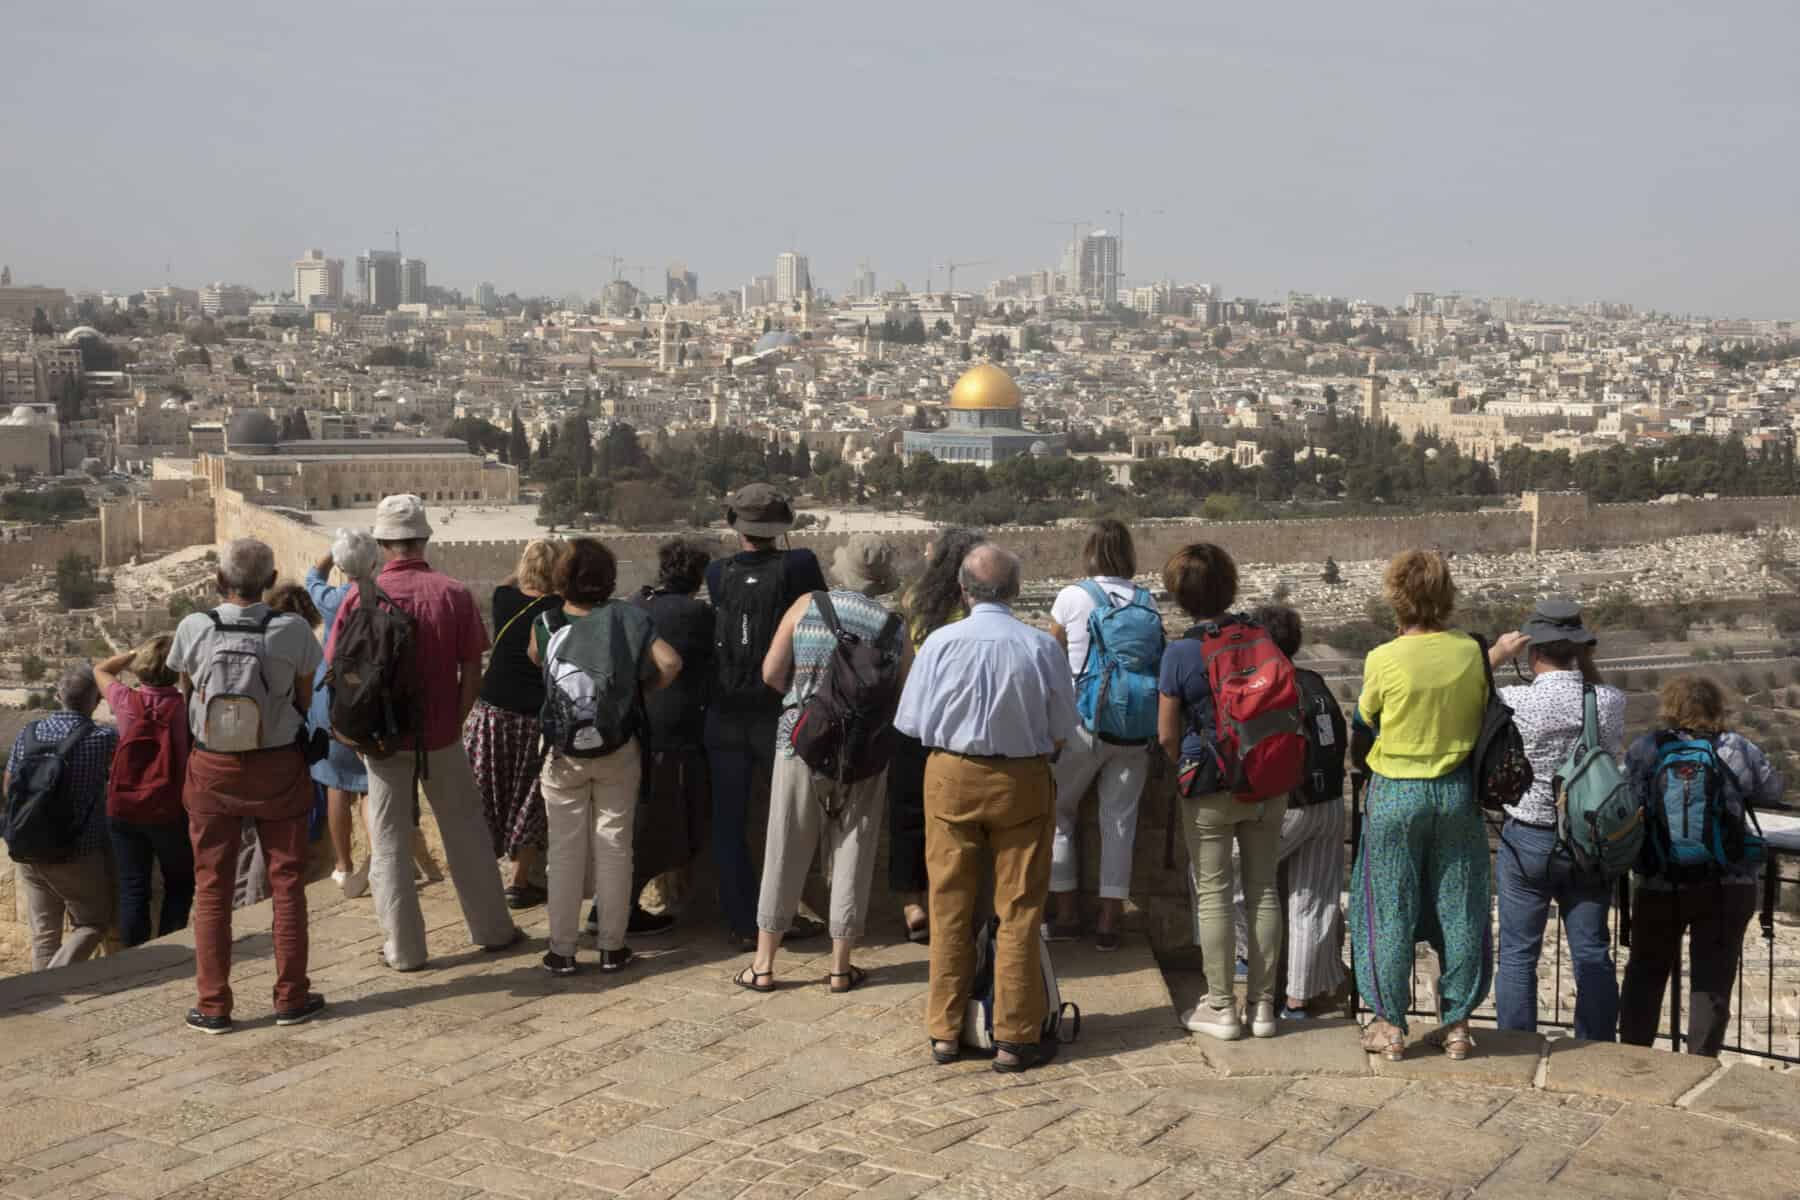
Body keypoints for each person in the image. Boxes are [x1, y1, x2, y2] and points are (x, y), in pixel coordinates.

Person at [894, 543, 1077, 1073]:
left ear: (963, 589)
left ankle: (945, 1031)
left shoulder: (941, 643)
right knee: (1019, 911)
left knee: (949, 905)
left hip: (951, 775)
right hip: (1021, 779)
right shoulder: (1040, 647)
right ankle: (1015, 1036)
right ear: (1015, 590)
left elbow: (911, 724)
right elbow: (1064, 728)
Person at [325, 494, 519, 972]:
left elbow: (336, 665)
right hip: (441, 734)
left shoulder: (359, 595)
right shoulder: (453, 593)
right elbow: (472, 667)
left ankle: (404, 950)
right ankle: (493, 930)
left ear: (383, 543)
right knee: (467, 833)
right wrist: (455, 719)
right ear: (425, 537)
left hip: (383, 738)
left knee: (388, 840)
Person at [739, 535, 911, 994]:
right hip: (863, 755)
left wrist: (806, 703)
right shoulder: (896, 627)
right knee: (854, 852)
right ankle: (839, 967)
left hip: (799, 744)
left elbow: (771, 673)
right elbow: (902, 695)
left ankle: (764, 964)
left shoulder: (807, 606)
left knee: (784, 848)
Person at [168, 537, 324, 1033]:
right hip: (278, 766)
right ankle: (290, 997)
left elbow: (186, 690)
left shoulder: (194, 627)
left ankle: (213, 1005)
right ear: (271, 581)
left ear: (219, 582)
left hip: (213, 768)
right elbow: (303, 696)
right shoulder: (293, 629)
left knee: (212, 887)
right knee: (287, 884)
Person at [1350, 550, 1491, 1062]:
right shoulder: (1472, 652)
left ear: (1396, 596)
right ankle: (1456, 1025)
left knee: (1388, 907)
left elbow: (1366, 722)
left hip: (1395, 791)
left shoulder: (1384, 658)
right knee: (1459, 905)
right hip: (1455, 791)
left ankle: (1389, 1025)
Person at [527, 538, 682, 975]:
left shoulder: (546, 620)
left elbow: (537, 660)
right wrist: (638, 692)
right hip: (618, 746)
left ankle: (561, 950)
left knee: (564, 851)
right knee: (616, 845)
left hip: (563, 753)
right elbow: (670, 664)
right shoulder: (629, 618)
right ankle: (613, 946)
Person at [1157, 544, 1286, 1041]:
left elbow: (1167, 735)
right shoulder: (1262, 638)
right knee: (1263, 890)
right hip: (1267, 781)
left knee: (1212, 893)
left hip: (1210, 786)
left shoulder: (1181, 652)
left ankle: (1220, 1007)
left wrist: (1184, 770)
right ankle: (1264, 1008)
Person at [1619, 676, 1780, 1056]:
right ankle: (1698, 1064)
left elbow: (1626, 796)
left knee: (1646, 971)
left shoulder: (1647, 748)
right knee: (1712, 979)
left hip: (1660, 881)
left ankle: (1631, 1057)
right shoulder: (1737, 747)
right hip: (1727, 882)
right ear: (1716, 707)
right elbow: (1772, 790)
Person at [1490, 600, 1625, 1042]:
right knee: (1591, 953)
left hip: (1528, 836)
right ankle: (1597, 1048)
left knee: (1517, 954)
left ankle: (1519, 1046)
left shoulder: (1516, 699)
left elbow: (1461, 694)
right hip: (1589, 841)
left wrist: (1495, 656)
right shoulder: (1608, 701)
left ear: (1534, 651)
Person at [703, 483, 828, 950]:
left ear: (736, 526)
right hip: (780, 710)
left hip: (725, 712)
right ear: (783, 526)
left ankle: (740, 921)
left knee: (728, 821)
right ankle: (781, 916)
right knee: (790, 819)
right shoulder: (800, 565)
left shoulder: (717, 574)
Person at [1045, 518, 1158, 951]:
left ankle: (1068, 914)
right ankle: (1110, 921)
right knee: (1120, 824)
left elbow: (1050, 661)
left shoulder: (1072, 597)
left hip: (1081, 724)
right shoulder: (1145, 600)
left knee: (1057, 813)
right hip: (1134, 730)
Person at [1240, 604, 1348, 1019]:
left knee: (1223, 876)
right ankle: (1298, 1000)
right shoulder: (1315, 682)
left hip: (1290, 806)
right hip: (1331, 803)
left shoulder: (1268, 685)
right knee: (1313, 901)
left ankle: (1243, 959)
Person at [889, 527, 985, 943]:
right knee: (956, 821)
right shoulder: (971, 607)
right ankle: (953, 904)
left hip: (913, 717)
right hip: (957, 725)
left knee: (907, 814)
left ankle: (912, 905)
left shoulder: (912, 597)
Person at [465, 539, 562, 910]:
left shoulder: (503, 598)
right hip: (531, 717)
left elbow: (510, 581)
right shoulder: (557, 609)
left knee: (485, 795)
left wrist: (527, 561)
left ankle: (479, 879)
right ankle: (518, 884)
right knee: (528, 798)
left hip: (491, 713)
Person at [627, 537, 716, 935]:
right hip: (676, 734)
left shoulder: (635, 603)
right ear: (698, 575)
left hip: (636, 728)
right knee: (665, 828)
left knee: (638, 825)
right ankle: (620, 909)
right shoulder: (696, 614)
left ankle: (615, 906)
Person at [4, 666, 117, 971]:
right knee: (93, 923)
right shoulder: (102, 737)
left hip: (27, 846)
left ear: (57, 697)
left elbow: (9, 784)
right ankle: (53, 982)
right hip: (76, 850)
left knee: (44, 935)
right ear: (95, 701)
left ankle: (42, 994)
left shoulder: (28, 734)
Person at [95, 636, 194, 949]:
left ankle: (134, 956)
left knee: (133, 886)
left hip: (123, 807)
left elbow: (100, 669)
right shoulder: (184, 707)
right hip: (168, 807)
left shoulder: (125, 700)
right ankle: (169, 944)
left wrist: (136, 652)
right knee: (180, 883)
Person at [304, 530, 380, 897]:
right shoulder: (383, 598)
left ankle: (343, 866)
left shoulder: (333, 600)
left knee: (337, 785)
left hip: (332, 700)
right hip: (371, 699)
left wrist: (328, 556)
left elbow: (310, 579)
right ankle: (379, 858)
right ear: (374, 564)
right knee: (368, 787)